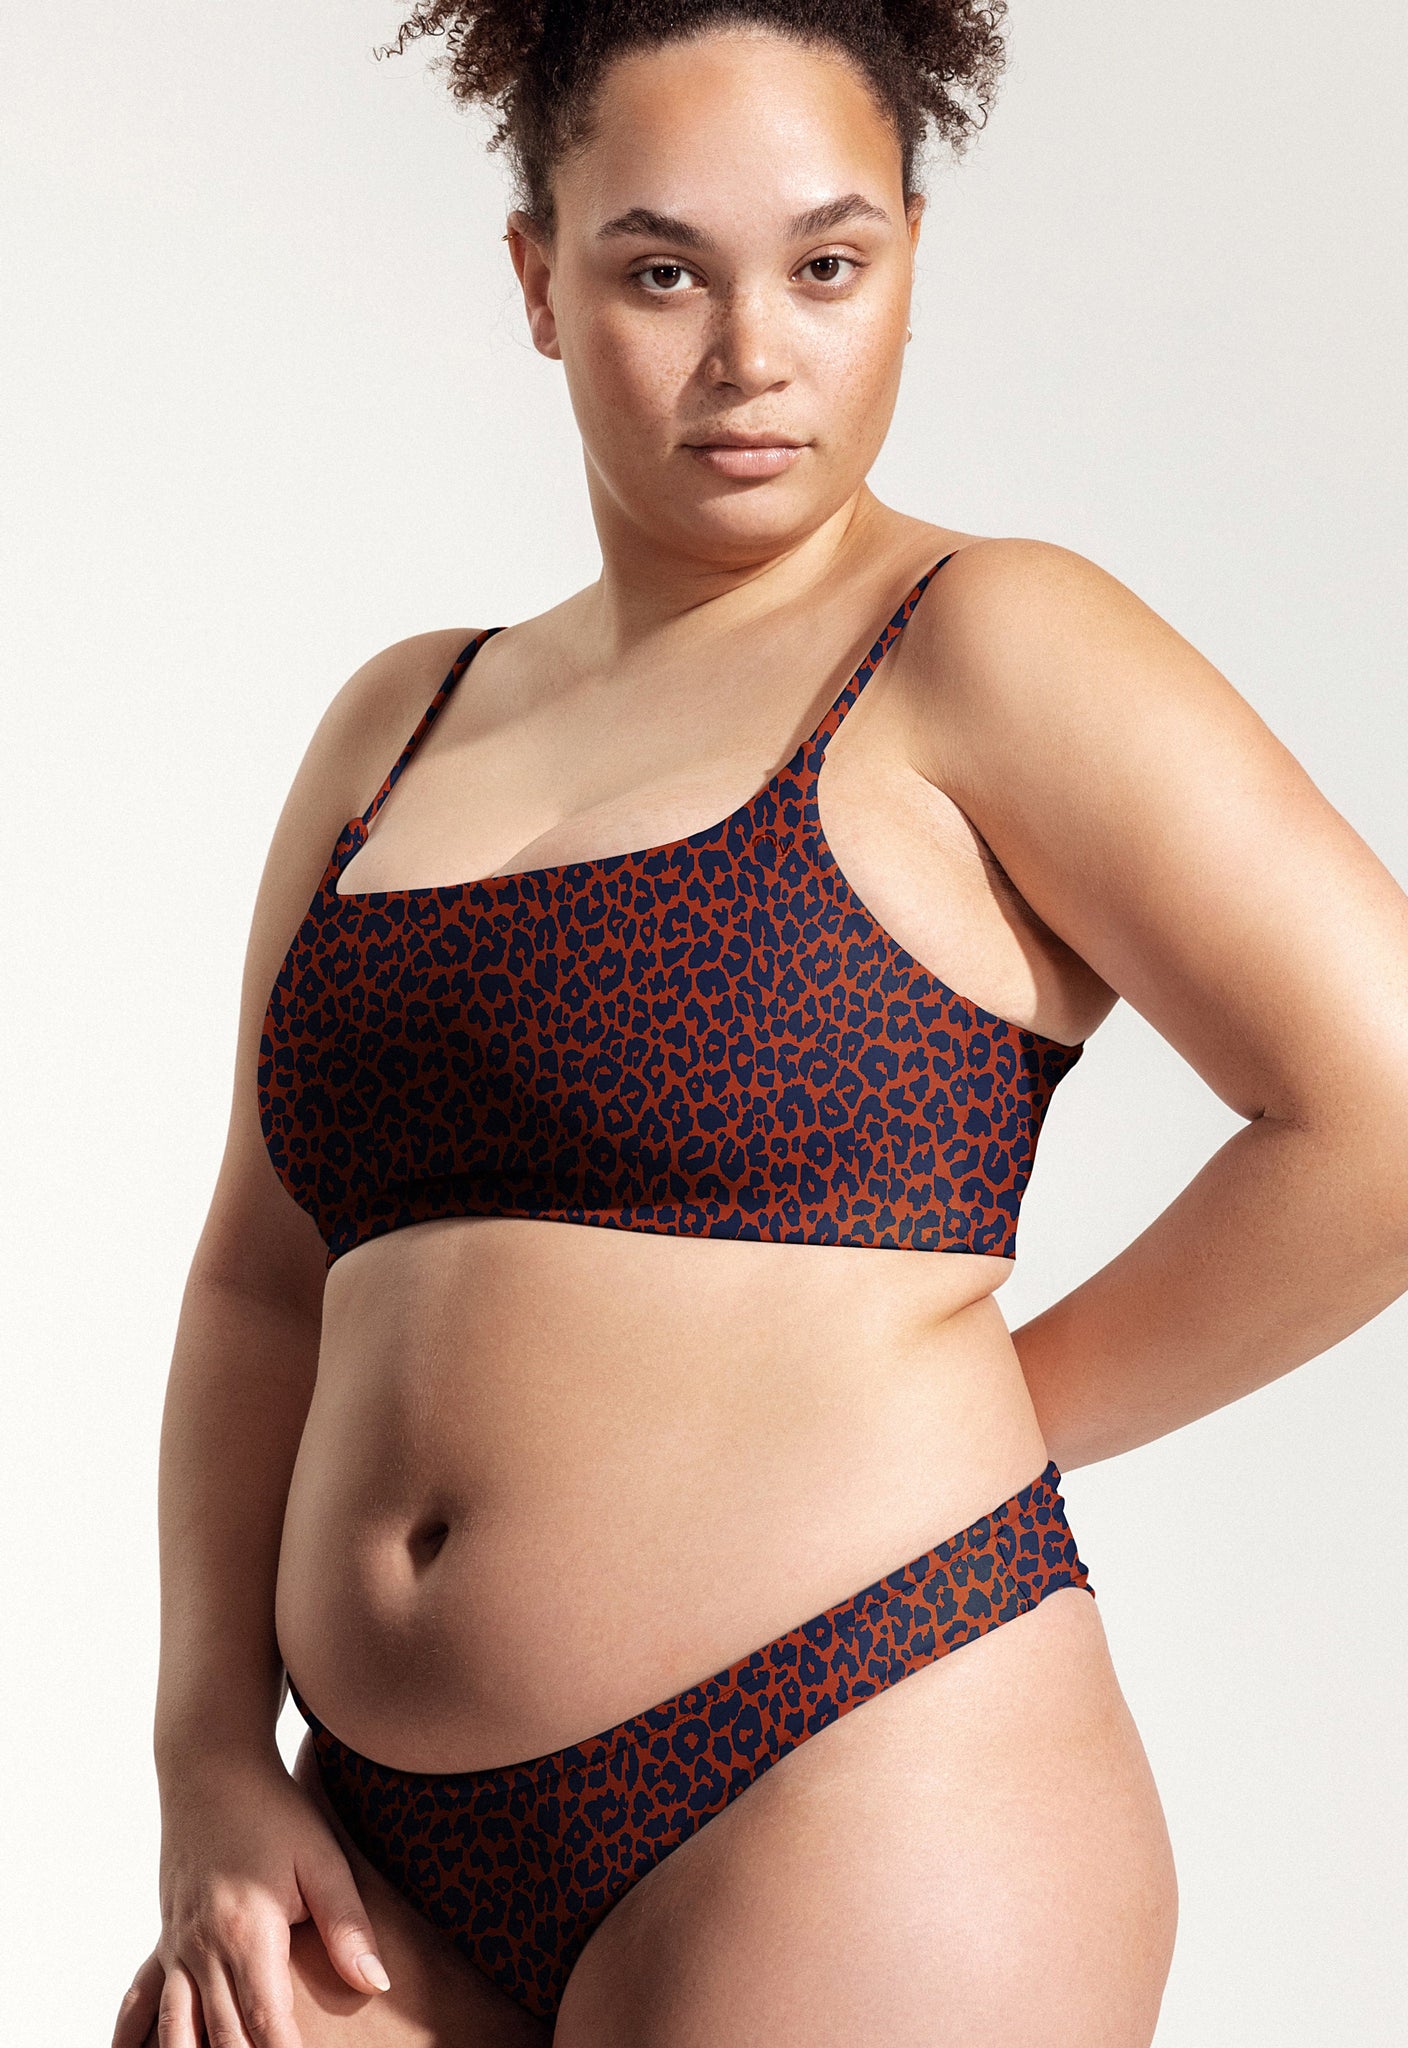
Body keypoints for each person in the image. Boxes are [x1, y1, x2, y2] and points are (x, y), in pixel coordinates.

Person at [114, 4, 1408, 2045]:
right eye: (661, 272)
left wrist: (987, 1426)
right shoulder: (398, 721)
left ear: (908, 261)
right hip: (362, 1849)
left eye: (825, 264)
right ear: (537, 280)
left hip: (852, 1763)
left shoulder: (981, 642)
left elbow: (1381, 1109)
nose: (751, 354)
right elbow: (260, 1280)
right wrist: (203, 1746)